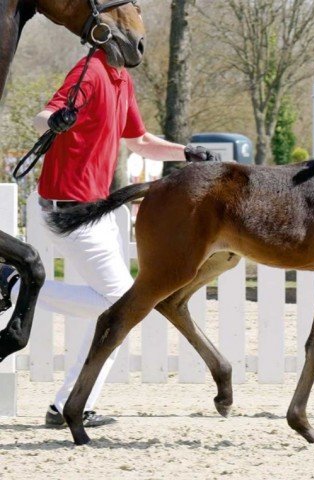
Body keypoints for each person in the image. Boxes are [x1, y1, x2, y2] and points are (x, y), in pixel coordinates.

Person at [0, 47, 216, 428]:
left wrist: (186, 151)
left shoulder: (121, 79)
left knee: (117, 310)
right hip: (67, 211)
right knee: (122, 305)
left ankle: (67, 404)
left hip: (91, 210)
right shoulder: (90, 70)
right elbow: (43, 116)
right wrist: (56, 120)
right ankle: (16, 287)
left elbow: (140, 141)